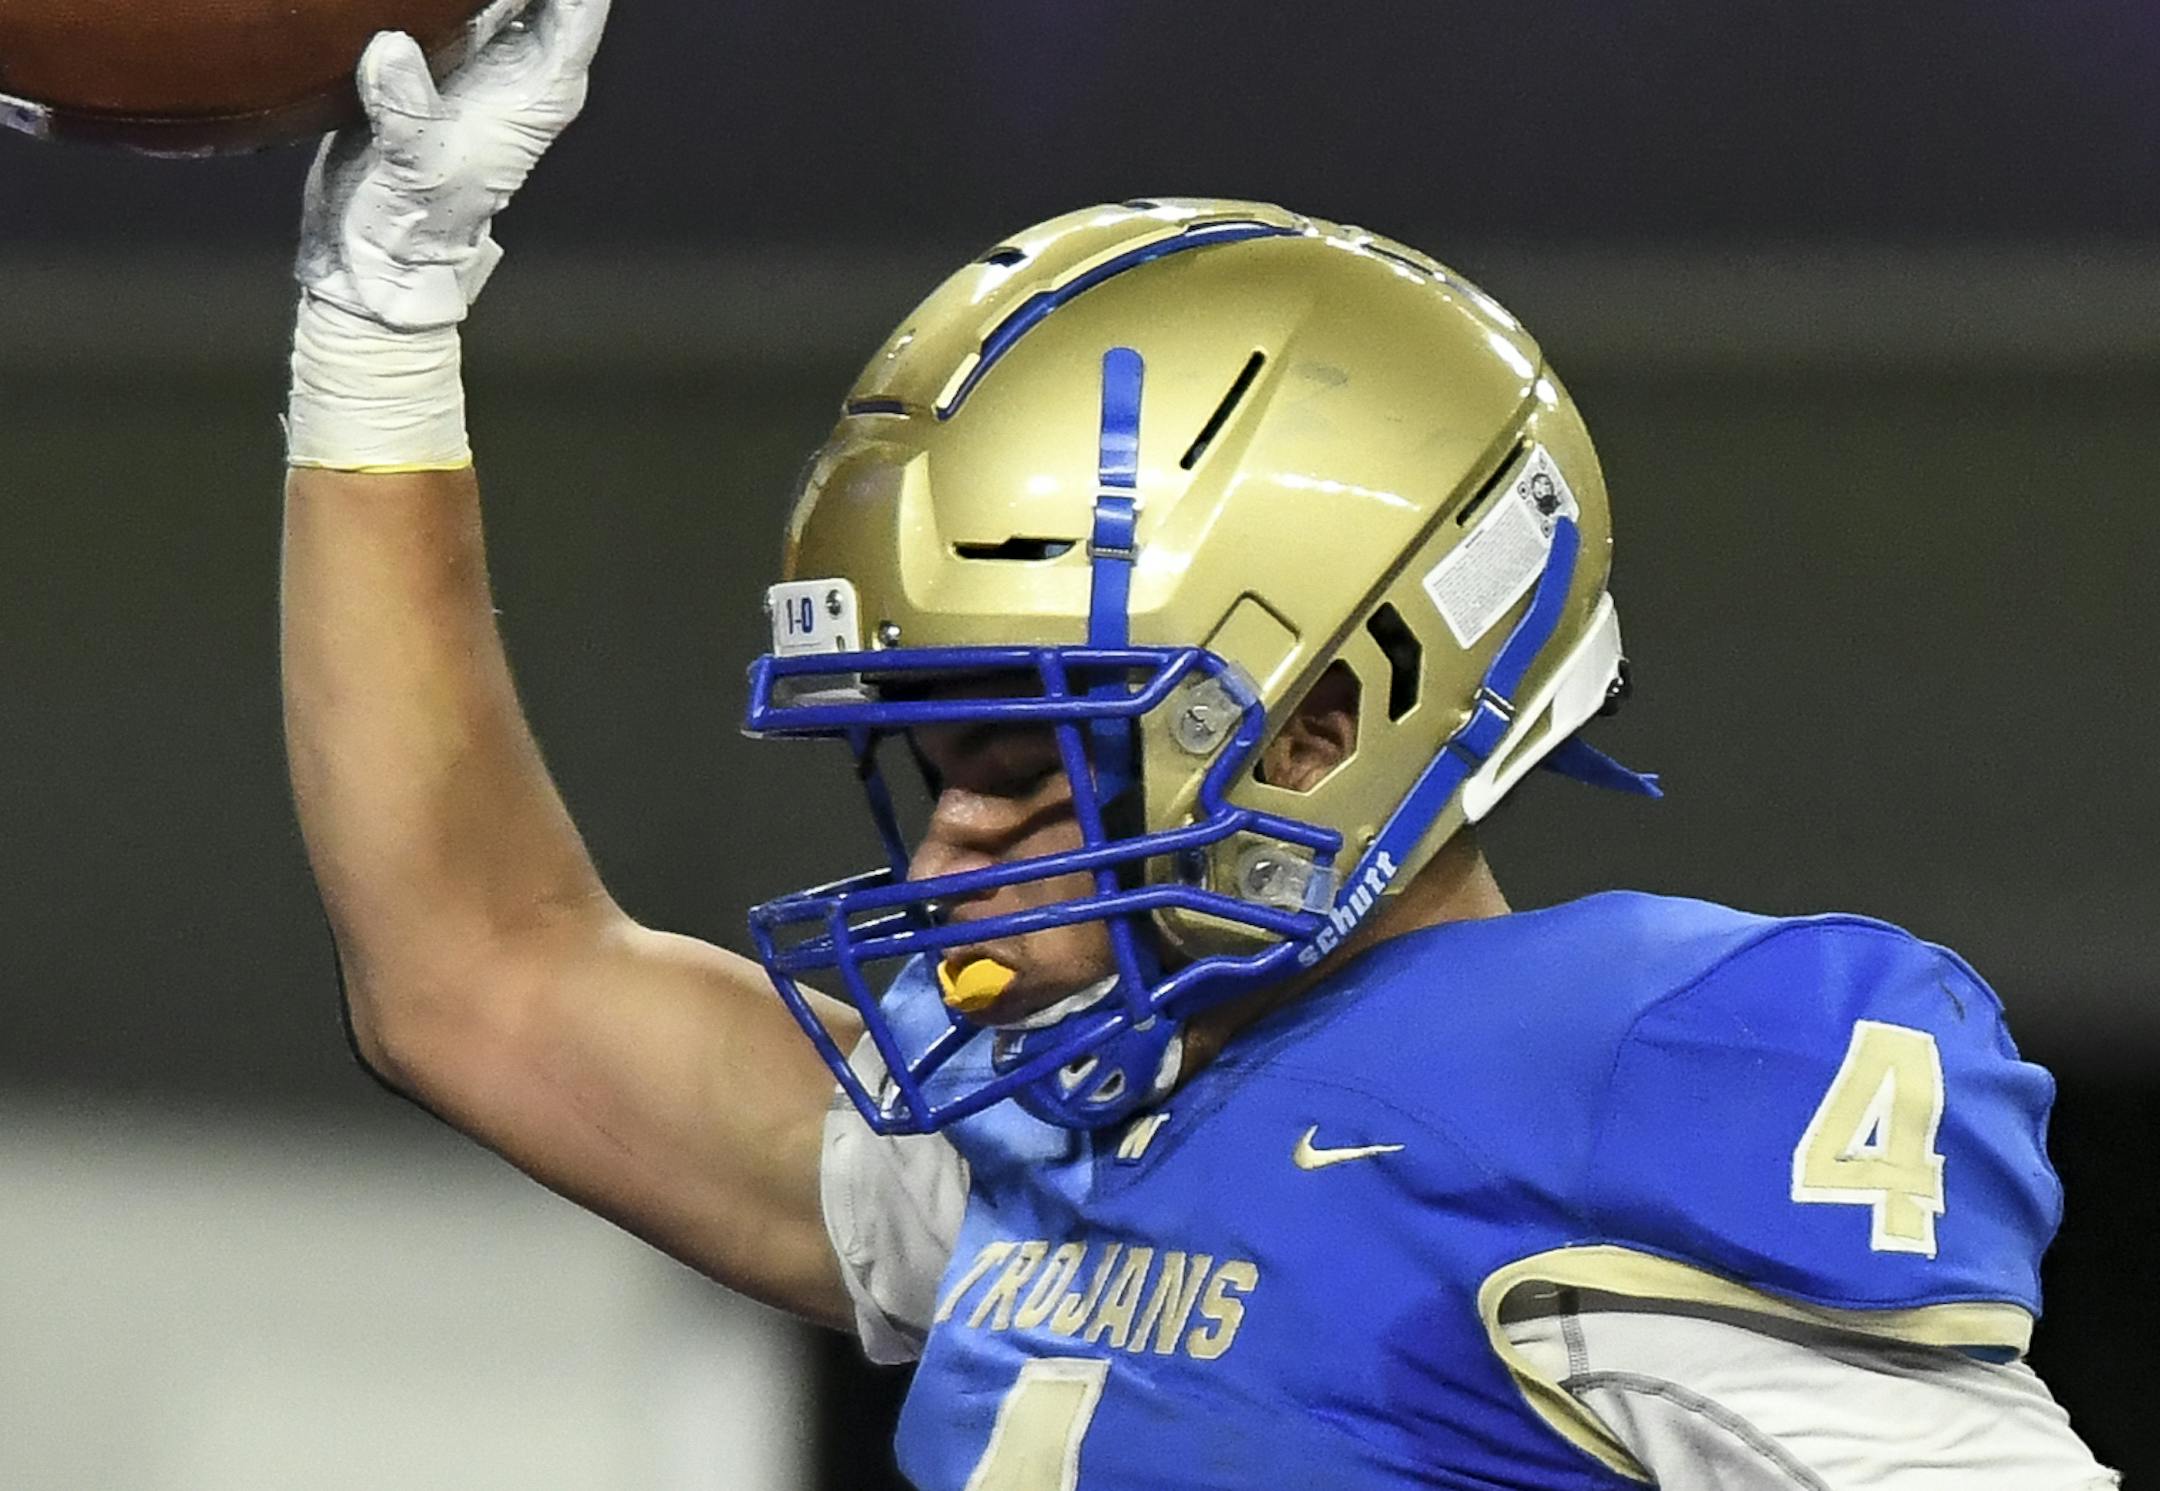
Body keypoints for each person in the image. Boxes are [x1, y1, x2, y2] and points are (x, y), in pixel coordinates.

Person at [281, 4, 2115, 1487]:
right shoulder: (1055, 1109)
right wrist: (385, 327)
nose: (945, 855)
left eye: (1027, 767)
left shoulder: (1629, 1084)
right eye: (938, 775)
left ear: (1329, 723)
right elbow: (474, 974)